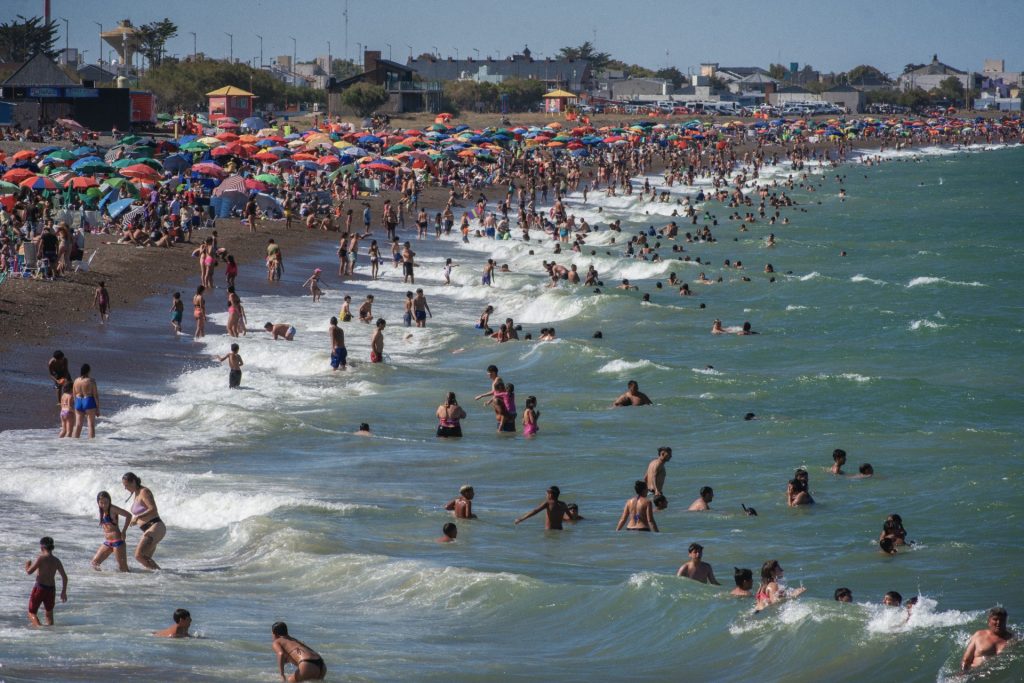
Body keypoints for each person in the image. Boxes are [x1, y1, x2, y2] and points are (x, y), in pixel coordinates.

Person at [122, 471, 166, 570]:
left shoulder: (144, 492)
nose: (125, 488)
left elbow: (153, 508)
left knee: (139, 555)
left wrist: (137, 517)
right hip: (149, 529)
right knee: (146, 563)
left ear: (133, 482)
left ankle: (164, 575)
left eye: (126, 485)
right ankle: (161, 576)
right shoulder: (136, 493)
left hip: (155, 526)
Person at [25, 536, 68, 627]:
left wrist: (27, 565)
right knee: (49, 613)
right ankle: (50, 631)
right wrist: (63, 592)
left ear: (42, 547)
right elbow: (64, 577)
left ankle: (40, 629)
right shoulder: (56, 560)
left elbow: (29, 572)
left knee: (31, 612)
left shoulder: (41, 558)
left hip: (40, 588)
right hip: (51, 589)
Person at [962, 607, 1014, 672]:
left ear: (1005, 621)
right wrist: (963, 673)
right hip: (974, 673)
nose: (998, 622)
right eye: (995, 619)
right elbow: (966, 660)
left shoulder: (1012, 639)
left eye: (1002, 620)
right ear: (989, 621)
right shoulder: (978, 635)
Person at [91, 491, 131, 572]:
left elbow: (128, 515)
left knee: (123, 569)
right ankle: (104, 579)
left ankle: (135, 579)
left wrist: (124, 531)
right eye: (101, 503)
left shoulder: (113, 509)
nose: (103, 505)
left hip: (118, 541)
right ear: (98, 502)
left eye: (106, 502)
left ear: (109, 501)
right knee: (94, 563)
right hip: (108, 542)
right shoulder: (101, 510)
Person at [72, 363, 100, 438]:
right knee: (91, 425)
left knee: (78, 425)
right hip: (88, 401)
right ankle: (91, 443)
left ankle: (73, 442)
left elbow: (74, 394)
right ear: (88, 371)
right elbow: (95, 395)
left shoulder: (76, 381)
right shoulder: (91, 381)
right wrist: (98, 408)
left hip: (78, 401)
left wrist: (75, 405)